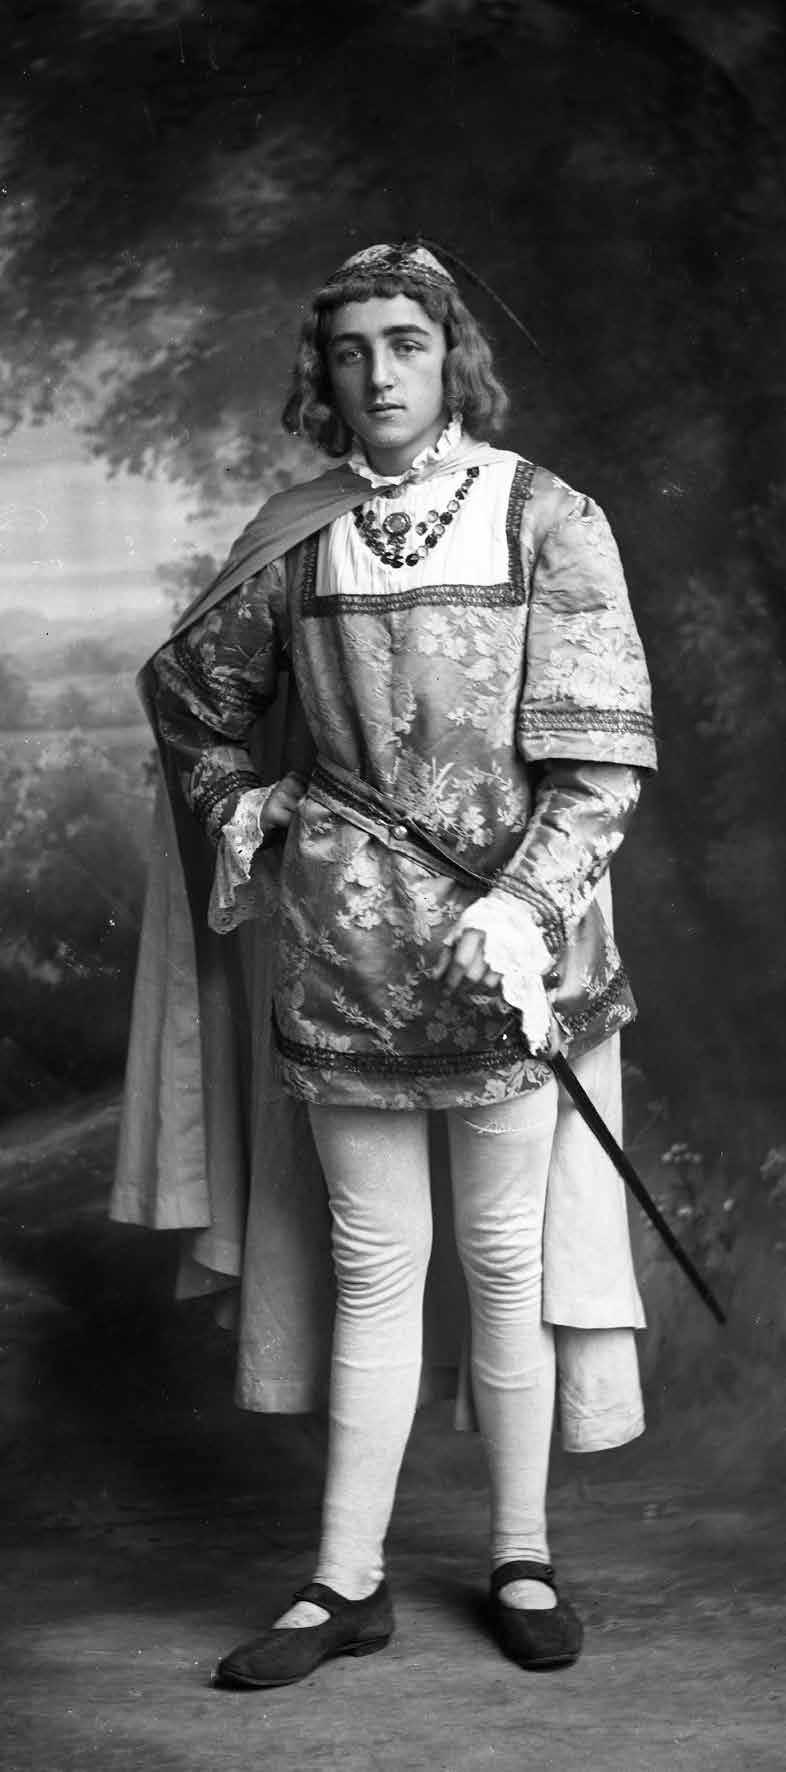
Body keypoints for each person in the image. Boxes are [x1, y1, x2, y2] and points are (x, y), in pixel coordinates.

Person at [112, 241, 657, 1687]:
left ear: (450, 355)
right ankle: (342, 1582)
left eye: (405, 342)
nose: (379, 374)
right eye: (350, 349)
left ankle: (521, 1556)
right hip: (345, 950)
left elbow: (599, 763)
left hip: (507, 958)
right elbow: (192, 703)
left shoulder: (547, 514)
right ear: (323, 373)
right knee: (372, 1267)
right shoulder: (300, 536)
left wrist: (522, 908)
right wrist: (262, 813)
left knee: (502, 1259)